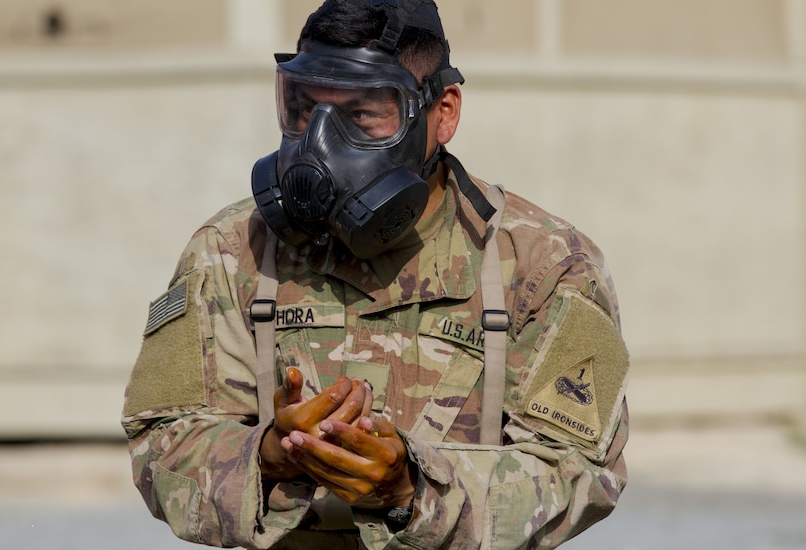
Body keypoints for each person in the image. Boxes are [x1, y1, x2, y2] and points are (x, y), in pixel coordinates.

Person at [121, 1, 630, 548]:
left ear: (444, 113)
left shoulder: (545, 263)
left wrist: (412, 491)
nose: (320, 141)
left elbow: (579, 471)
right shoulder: (231, 250)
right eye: (303, 108)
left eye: (362, 115)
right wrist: (269, 456)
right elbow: (161, 444)